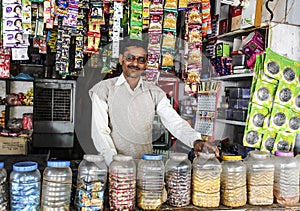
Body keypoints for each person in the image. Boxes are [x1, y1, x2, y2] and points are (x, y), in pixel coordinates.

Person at [89, 38, 219, 165]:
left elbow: (174, 122)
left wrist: (196, 141)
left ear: (146, 64)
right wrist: (115, 164)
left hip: (145, 167)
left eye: (141, 60)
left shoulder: (154, 92)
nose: (135, 63)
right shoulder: (103, 89)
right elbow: (100, 132)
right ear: (121, 58)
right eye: (130, 58)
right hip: (113, 167)